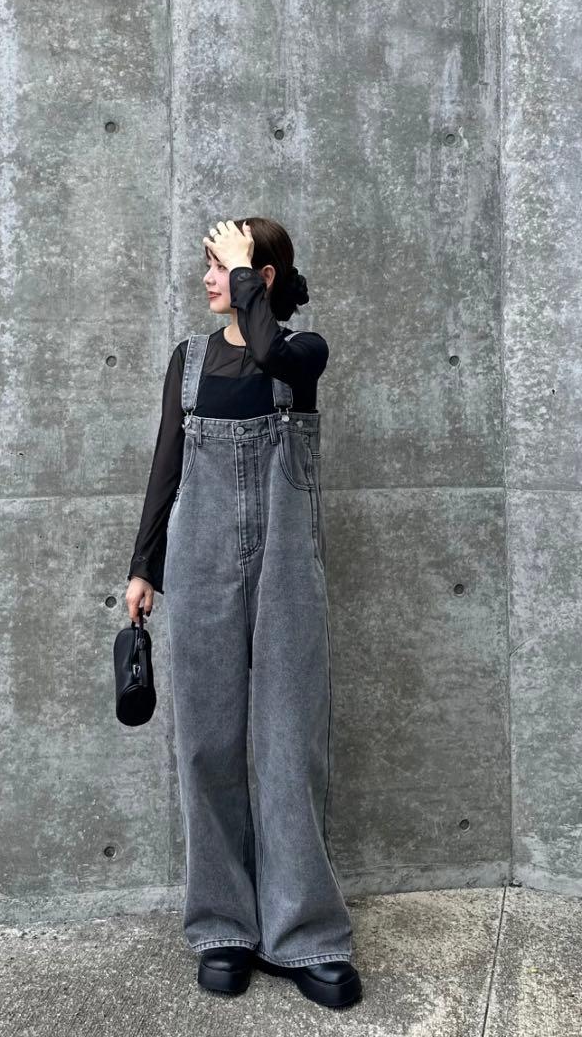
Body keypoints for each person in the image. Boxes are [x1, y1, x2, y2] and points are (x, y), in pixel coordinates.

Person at [126, 218, 362, 1009]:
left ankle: (306, 935)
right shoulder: (189, 361)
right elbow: (167, 460)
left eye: (221, 265)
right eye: (208, 265)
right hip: (199, 556)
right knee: (208, 740)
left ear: (259, 276)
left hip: (288, 562)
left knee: (290, 739)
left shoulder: (303, 352)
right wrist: (143, 566)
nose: (207, 278)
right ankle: (223, 925)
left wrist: (247, 278)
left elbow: (268, 352)